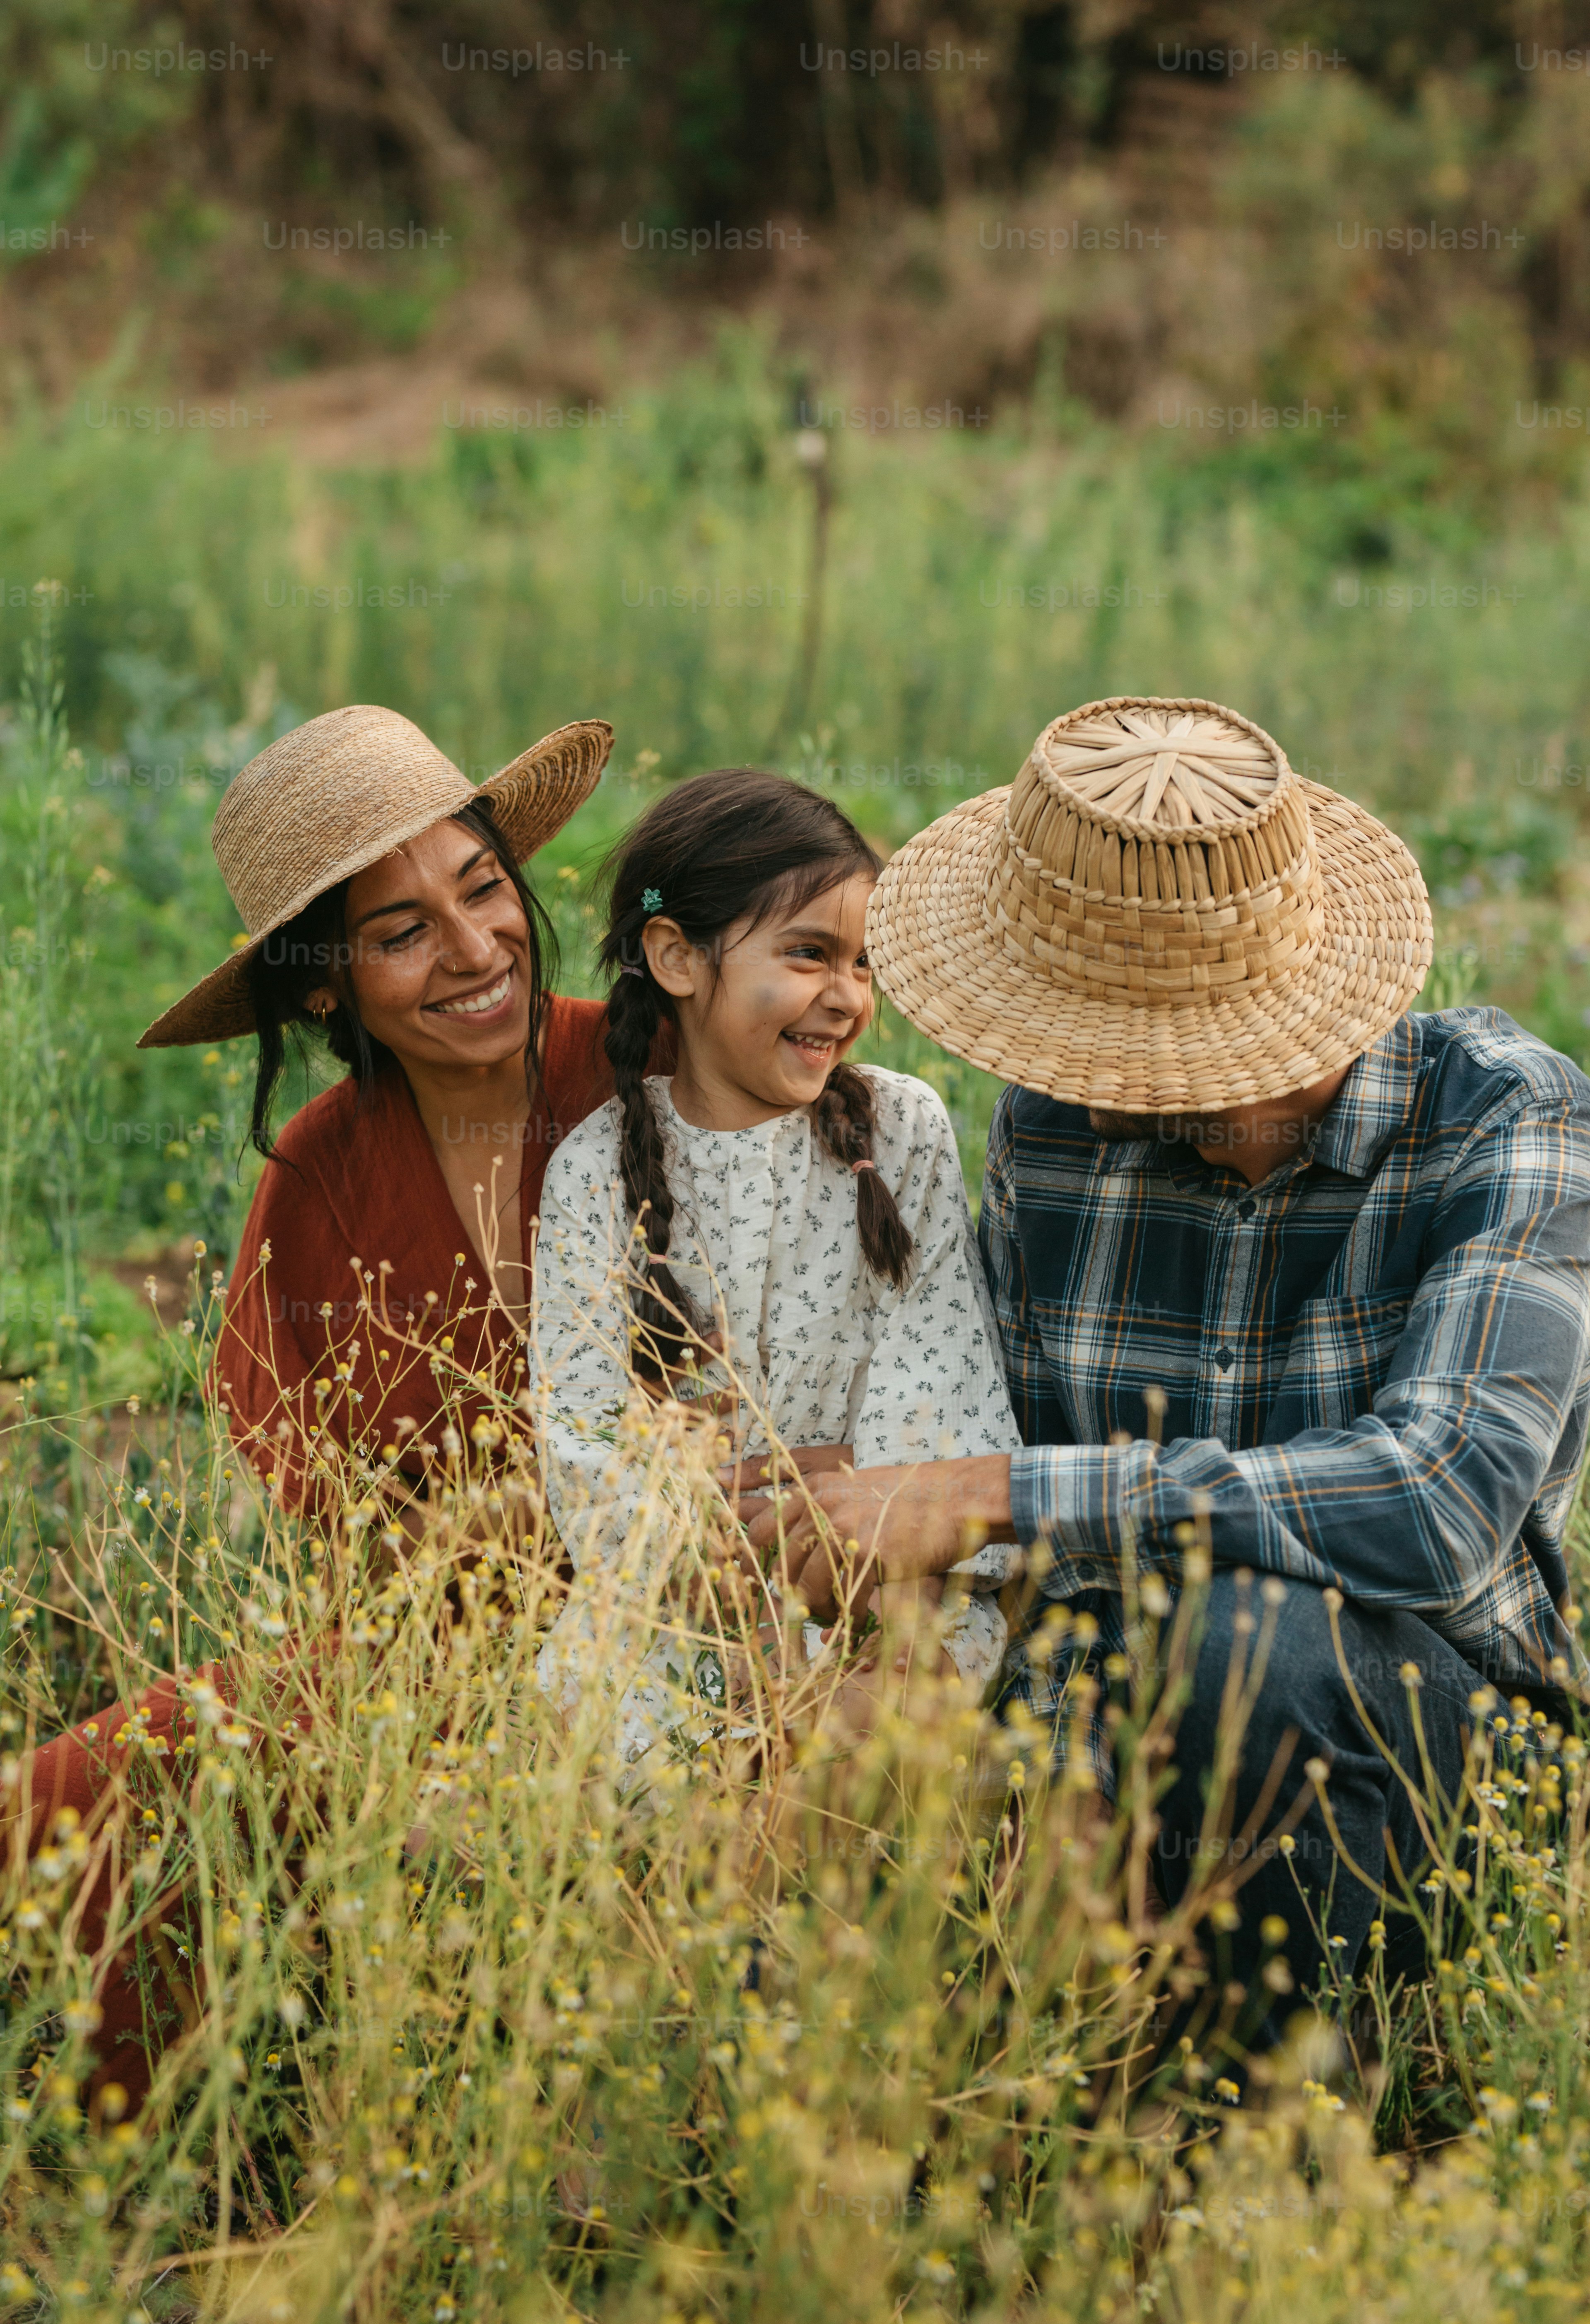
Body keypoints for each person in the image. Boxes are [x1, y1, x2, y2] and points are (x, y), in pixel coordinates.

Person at [740, 695, 1590, 2059]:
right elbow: (1047, 1543)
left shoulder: (1506, 1120)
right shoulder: (1060, 1130)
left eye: (1092, 1037)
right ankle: (1075, 2046)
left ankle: (1277, 2105)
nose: (1064, 1075)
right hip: (1135, 1732)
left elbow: (1439, 1500)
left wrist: (996, 1489)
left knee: (1247, 1636)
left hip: (1444, 1752)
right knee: (847, 1711)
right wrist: (1041, 1754)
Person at [14, 702, 668, 2112]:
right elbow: (346, 1522)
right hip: (432, 1648)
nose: (474, 947)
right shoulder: (320, 1171)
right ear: (323, 988)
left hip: (690, 1610)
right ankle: (132, 2149)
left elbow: (779, 1379)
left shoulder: (643, 1074)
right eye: (399, 932)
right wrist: (463, 1584)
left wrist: (573, 1509)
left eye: (480, 886)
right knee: (66, 1799)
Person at [532, 769, 1022, 1783]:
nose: (845, 997)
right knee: (627, 1778)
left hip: (893, 1592)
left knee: (886, 1758)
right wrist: (758, 1528)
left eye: (863, 964)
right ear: (676, 955)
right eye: (808, 955)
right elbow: (583, 1446)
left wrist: (873, 1527)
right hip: (678, 1609)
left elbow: (940, 1375)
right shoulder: (592, 1168)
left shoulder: (900, 1128)